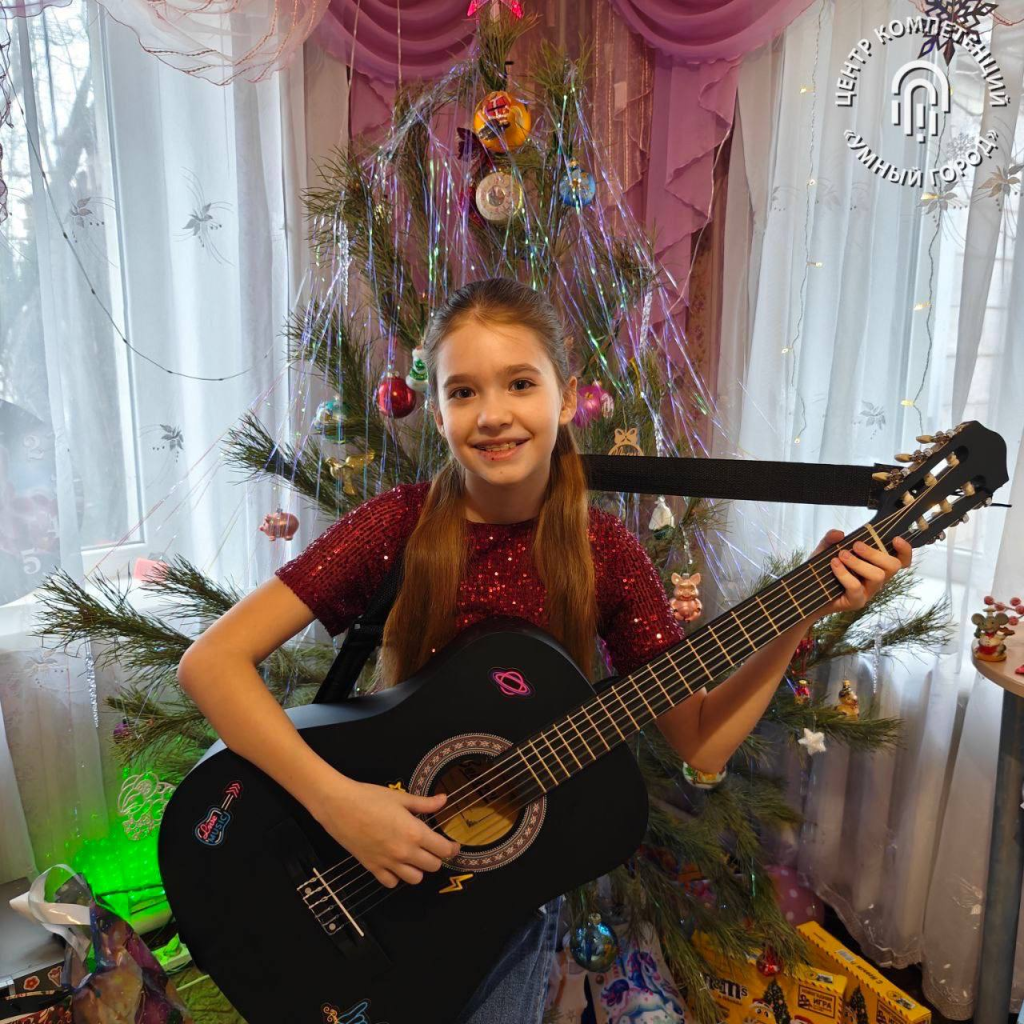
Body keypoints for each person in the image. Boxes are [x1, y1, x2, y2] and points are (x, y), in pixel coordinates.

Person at [177, 276, 912, 1024]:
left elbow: (700, 743)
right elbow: (210, 663)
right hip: (357, 844)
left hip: (502, 904)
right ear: (437, 411)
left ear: (566, 398)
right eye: (463, 392)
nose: (493, 414)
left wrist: (798, 614)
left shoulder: (605, 551)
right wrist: (339, 804)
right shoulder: (397, 525)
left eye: (520, 383)